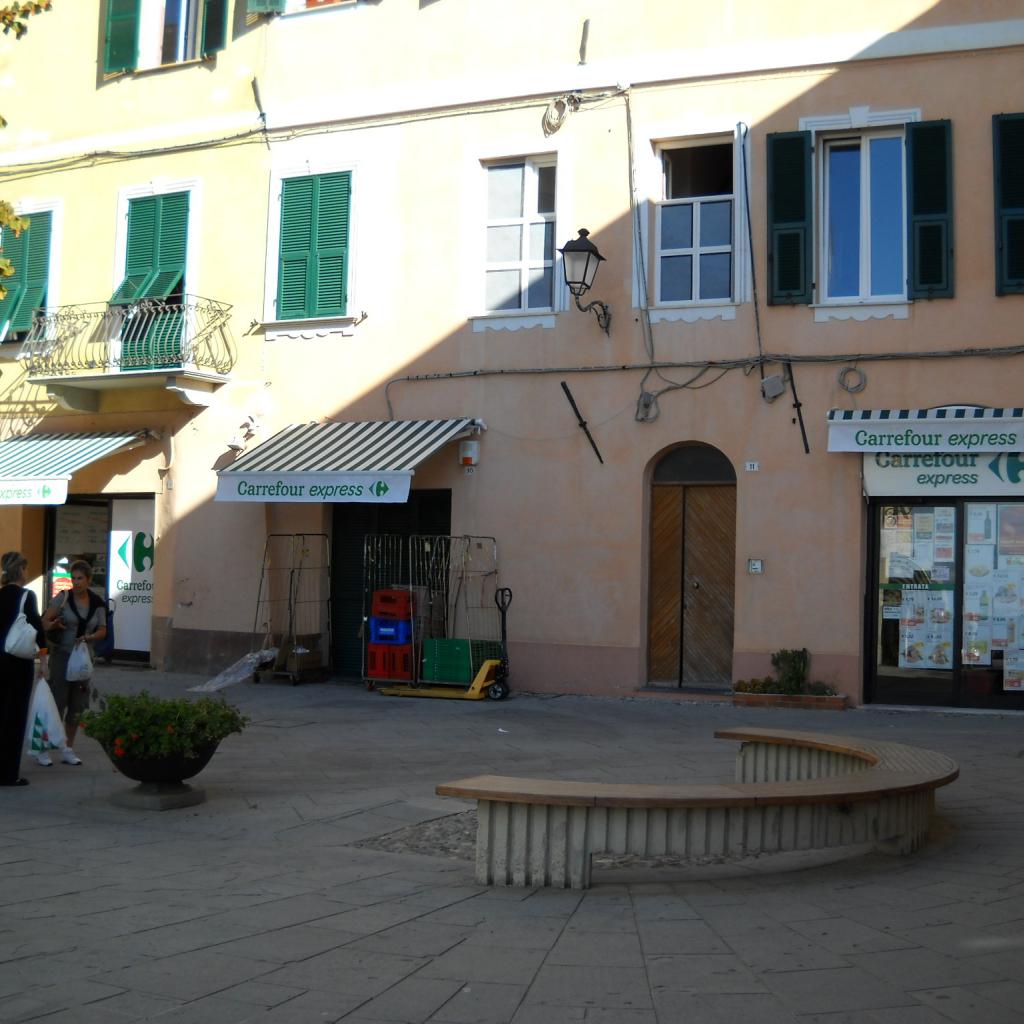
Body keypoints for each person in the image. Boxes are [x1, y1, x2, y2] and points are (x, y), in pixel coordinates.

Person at [40, 560, 106, 767]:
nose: (76, 582)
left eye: (80, 578)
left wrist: (90, 637)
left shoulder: (97, 602)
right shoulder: (63, 597)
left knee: (77, 705)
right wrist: (54, 624)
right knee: (57, 703)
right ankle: (43, 748)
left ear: (88, 580)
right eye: (73, 578)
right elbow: (44, 622)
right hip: (63, 656)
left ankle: (68, 749)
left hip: (84, 659)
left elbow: (103, 629)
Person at [0, 552, 48, 787]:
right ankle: (8, 773)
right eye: (26, 568)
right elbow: (37, 628)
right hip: (18, 664)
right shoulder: (26, 596)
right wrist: (44, 659)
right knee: (15, 717)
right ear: (20, 570)